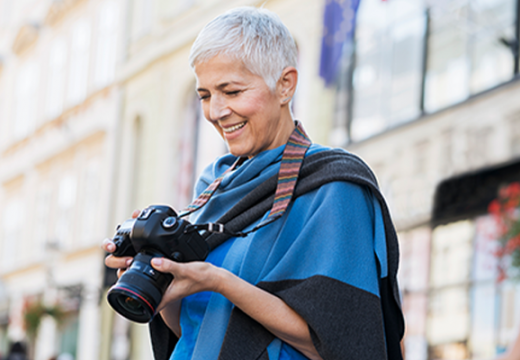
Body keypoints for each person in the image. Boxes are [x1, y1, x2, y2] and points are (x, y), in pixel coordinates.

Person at [103, 6, 404, 360]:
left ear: (285, 85)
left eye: (231, 92)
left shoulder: (334, 187)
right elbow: (194, 334)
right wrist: (159, 275)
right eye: (204, 95)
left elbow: (343, 344)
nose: (215, 111)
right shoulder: (213, 186)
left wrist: (219, 281)